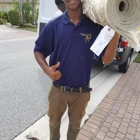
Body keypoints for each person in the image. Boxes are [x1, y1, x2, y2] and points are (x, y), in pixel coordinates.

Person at [33, 0, 119, 140]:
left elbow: (107, 59)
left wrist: (117, 28)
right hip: (58, 91)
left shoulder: (93, 27)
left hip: (81, 93)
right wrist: (46, 69)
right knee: (54, 124)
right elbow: (38, 50)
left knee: (75, 128)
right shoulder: (54, 25)